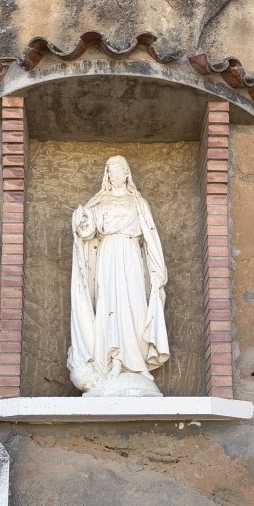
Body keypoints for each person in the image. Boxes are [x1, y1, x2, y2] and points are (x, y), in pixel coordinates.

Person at [67, 155, 169, 396]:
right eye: (111, 170)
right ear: (107, 175)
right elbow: (88, 229)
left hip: (131, 254)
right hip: (108, 254)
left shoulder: (138, 203)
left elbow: (151, 238)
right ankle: (113, 361)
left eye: (119, 169)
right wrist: (81, 220)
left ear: (126, 173)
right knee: (109, 305)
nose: (115, 174)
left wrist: (156, 271)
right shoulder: (99, 203)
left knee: (135, 306)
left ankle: (137, 364)